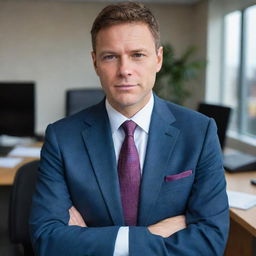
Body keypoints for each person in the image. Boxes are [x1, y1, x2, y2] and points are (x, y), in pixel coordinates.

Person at [29, 2, 229, 255]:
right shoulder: (61, 137)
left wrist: (90, 238)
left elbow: (210, 241)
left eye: (137, 55)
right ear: (95, 63)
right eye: (110, 56)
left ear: (158, 59)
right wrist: (150, 235)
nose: (125, 70)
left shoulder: (199, 132)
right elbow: (46, 240)